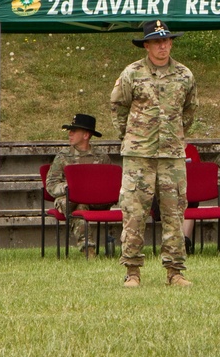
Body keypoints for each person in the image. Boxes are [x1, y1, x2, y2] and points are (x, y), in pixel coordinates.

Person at [111, 19, 198, 288]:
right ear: (147, 45)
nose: (163, 46)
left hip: (171, 156)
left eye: (167, 40)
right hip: (139, 156)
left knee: (174, 214)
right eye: (157, 41)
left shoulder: (184, 75)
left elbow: (190, 111)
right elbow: (118, 107)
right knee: (134, 213)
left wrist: (174, 136)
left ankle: (175, 272)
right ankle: (133, 271)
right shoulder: (132, 73)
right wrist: (132, 137)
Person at [45, 113, 111, 256]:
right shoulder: (63, 157)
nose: (70, 134)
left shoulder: (101, 158)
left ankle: (89, 250)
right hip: (69, 199)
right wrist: (69, 187)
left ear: (86, 135)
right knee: (78, 207)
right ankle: (89, 250)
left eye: (74, 131)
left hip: (97, 201)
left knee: (80, 205)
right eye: (70, 131)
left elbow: (109, 184)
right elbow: (51, 184)